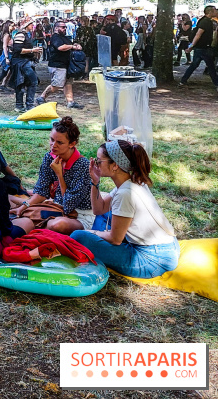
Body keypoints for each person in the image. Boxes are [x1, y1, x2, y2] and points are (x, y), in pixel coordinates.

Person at [71, 140, 179, 279]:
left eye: (99, 161)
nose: (96, 165)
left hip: (153, 260)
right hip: (167, 249)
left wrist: (92, 232)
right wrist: (95, 182)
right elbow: (99, 209)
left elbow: (115, 239)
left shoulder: (125, 194)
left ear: (115, 165)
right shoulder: (129, 182)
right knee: (104, 215)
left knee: (78, 236)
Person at [13, 116, 93, 234]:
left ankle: (35, 227)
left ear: (72, 144)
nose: (53, 145)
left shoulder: (83, 165)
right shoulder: (49, 157)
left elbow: (68, 205)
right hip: (56, 208)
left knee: (56, 225)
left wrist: (59, 175)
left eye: (59, 142)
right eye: (51, 139)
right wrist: (24, 206)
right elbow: (41, 192)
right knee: (12, 203)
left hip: (79, 214)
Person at [36, 19, 84, 108]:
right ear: (56, 28)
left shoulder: (64, 37)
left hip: (66, 64)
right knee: (57, 85)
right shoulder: (55, 37)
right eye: (62, 27)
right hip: (57, 65)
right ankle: (41, 97)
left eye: (65, 27)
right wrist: (72, 46)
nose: (65, 29)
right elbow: (60, 47)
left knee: (68, 83)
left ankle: (71, 102)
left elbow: (70, 44)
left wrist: (76, 45)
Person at [180, 5, 218, 90]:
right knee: (211, 67)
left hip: (201, 48)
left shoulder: (205, 20)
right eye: (215, 10)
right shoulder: (205, 22)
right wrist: (191, 46)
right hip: (203, 48)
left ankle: (183, 80)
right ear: (210, 12)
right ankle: (217, 83)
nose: (216, 12)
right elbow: (198, 34)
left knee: (194, 65)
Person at [8, 18, 41, 113]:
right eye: (31, 24)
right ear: (26, 25)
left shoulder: (26, 35)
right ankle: (28, 105)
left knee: (23, 83)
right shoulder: (20, 35)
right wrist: (32, 50)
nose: (32, 26)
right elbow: (17, 50)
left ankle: (21, 105)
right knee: (32, 81)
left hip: (24, 62)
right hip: (20, 62)